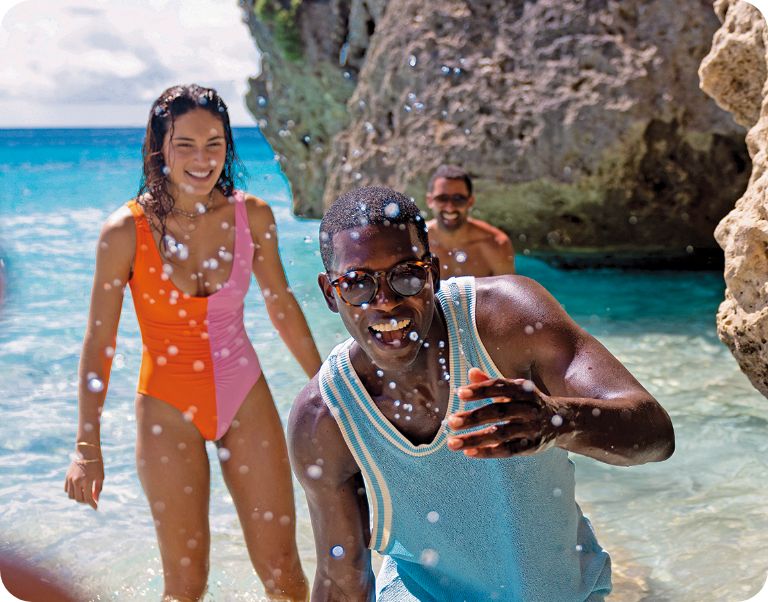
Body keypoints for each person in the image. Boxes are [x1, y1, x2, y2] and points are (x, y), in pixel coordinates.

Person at [289, 186, 675, 601]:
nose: (385, 302)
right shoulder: (325, 418)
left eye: (406, 275)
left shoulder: (507, 321)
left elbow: (654, 434)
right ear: (331, 293)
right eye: (357, 283)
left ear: (432, 273)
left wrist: (559, 421)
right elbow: (342, 579)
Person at [64, 84, 320, 602]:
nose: (202, 160)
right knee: (186, 585)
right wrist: (87, 446)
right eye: (186, 144)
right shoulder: (124, 232)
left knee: (285, 573)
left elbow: (282, 308)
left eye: (215, 144)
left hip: (243, 393)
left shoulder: (255, 218)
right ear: (159, 148)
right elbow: (99, 342)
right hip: (165, 407)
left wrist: (329, 389)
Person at [425, 164, 515, 277]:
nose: (450, 207)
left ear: (470, 202)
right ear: (429, 201)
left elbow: (506, 292)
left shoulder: (496, 245)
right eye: (442, 198)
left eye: (458, 199)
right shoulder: (415, 242)